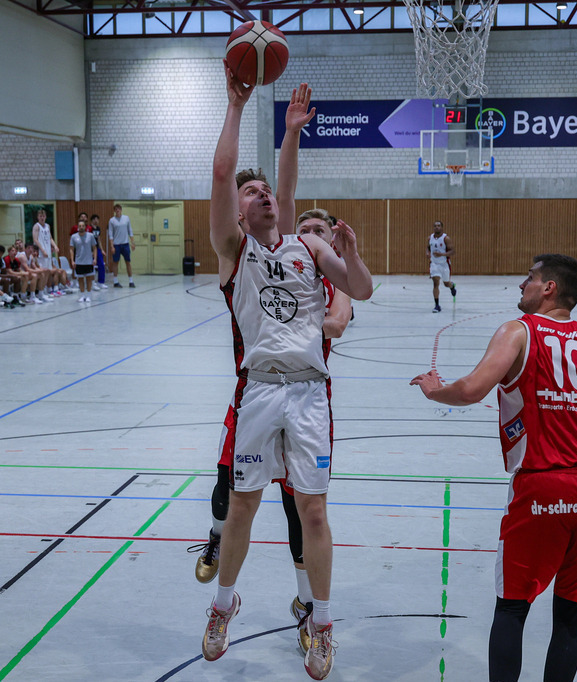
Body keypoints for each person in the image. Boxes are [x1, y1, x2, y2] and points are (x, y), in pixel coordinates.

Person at [201, 69, 371, 682]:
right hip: (261, 389)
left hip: (307, 393)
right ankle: (224, 606)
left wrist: (293, 134)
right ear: (238, 216)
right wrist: (235, 106)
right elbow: (222, 175)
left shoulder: (304, 248)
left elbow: (362, 289)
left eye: (266, 189)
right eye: (252, 193)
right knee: (242, 506)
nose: (262, 194)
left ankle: (320, 623)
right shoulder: (236, 253)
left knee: (314, 513)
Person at [411, 253, 577, 682]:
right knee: (570, 614)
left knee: (512, 606)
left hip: (543, 487)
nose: (521, 284)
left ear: (549, 288)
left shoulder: (518, 331)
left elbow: (470, 390)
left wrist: (435, 390)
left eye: (530, 277)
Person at [190, 207, 353, 656]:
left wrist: (301, 309)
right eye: (304, 231)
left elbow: (338, 320)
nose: (310, 238)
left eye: (320, 233)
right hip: (254, 391)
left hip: (306, 397)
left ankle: (312, 611)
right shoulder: (260, 262)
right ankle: (219, 561)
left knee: (305, 513)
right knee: (232, 496)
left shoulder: (330, 285)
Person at [428, 220, 456, 312]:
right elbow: (428, 248)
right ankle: (437, 305)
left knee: (446, 284)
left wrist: (442, 254)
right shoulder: (430, 238)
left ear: (442, 227)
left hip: (444, 264)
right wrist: (427, 253)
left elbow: (452, 251)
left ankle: (452, 286)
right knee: (436, 282)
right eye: (435, 226)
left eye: (438, 225)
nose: (437, 227)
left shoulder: (446, 238)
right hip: (434, 264)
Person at [69, 217, 97, 302]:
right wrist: (72, 260)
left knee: (88, 279)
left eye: (83, 226)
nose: (81, 227)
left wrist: (94, 259)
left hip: (88, 261)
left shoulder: (91, 236)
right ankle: (82, 295)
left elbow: (94, 248)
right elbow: (71, 249)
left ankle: (88, 295)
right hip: (79, 261)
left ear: (85, 227)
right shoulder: (74, 237)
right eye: (80, 226)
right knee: (80, 279)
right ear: (77, 227)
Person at [108, 203, 135, 288]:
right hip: (116, 244)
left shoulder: (126, 218)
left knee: (128, 262)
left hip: (125, 244)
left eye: (119, 208)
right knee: (115, 262)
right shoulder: (112, 220)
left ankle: (131, 281)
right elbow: (110, 234)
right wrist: (112, 246)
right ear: (114, 211)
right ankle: (115, 282)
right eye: (116, 209)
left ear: (121, 209)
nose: (117, 210)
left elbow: (130, 230)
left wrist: (132, 242)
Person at [31, 208, 58, 273]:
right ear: (38, 217)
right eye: (40, 216)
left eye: (43, 216)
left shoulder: (47, 226)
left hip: (48, 251)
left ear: (45, 217)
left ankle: (48, 283)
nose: (42, 218)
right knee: (43, 271)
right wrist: (43, 250)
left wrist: (55, 246)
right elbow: (35, 240)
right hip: (40, 252)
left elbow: (50, 238)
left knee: (49, 270)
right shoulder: (36, 226)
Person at [90, 214, 109, 289]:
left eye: (98, 219)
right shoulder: (89, 228)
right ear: (92, 220)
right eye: (95, 219)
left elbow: (99, 239)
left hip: (97, 249)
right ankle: (92, 283)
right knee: (91, 266)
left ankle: (101, 282)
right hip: (90, 249)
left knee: (101, 264)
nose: (97, 221)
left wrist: (102, 250)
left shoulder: (98, 228)